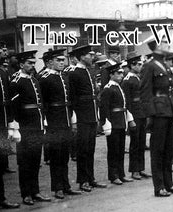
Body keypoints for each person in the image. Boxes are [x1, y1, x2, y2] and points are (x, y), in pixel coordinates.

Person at [140, 41, 173, 197]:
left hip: (169, 110)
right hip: (158, 112)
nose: (168, 46)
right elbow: (145, 93)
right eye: (165, 43)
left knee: (168, 148)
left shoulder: (164, 65)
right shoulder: (149, 66)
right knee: (158, 150)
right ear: (157, 47)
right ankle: (159, 187)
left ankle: (169, 184)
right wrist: (150, 115)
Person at [9, 50, 51, 206]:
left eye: (34, 63)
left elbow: (40, 104)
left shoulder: (34, 80)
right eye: (29, 63)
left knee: (35, 160)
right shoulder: (16, 81)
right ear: (21, 64)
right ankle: (26, 194)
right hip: (25, 127)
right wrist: (15, 128)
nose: (32, 66)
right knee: (25, 162)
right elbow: (14, 107)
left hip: (37, 125)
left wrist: (43, 122)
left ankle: (35, 191)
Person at [39, 49, 82, 199]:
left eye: (63, 60)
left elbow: (71, 100)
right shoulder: (44, 78)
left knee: (65, 155)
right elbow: (42, 102)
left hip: (66, 120)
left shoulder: (65, 77)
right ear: (50, 62)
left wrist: (73, 119)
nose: (62, 63)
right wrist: (44, 121)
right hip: (53, 121)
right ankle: (57, 187)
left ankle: (66, 186)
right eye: (58, 60)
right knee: (56, 156)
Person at [68, 45, 107, 192]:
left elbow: (93, 97)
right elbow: (73, 98)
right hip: (82, 116)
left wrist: (96, 116)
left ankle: (91, 178)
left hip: (91, 115)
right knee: (82, 150)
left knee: (90, 149)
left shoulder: (88, 71)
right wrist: (75, 119)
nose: (92, 57)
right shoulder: (75, 73)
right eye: (90, 55)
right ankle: (82, 180)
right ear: (82, 57)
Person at [0, 48, 20, 210]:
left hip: (1, 125)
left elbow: (9, 99)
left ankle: (0, 199)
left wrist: (11, 122)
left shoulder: (2, 74)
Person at [99, 63, 134, 185]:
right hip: (113, 123)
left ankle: (121, 174)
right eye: (118, 73)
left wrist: (129, 119)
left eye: (121, 73)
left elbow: (124, 106)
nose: (121, 75)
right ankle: (113, 175)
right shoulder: (108, 89)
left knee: (120, 149)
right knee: (113, 150)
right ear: (111, 74)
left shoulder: (119, 87)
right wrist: (106, 124)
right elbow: (104, 109)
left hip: (121, 121)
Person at [122, 53, 151, 181]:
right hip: (134, 115)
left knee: (141, 142)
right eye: (138, 64)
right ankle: (134, 170)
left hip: (142, 114)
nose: (140, 67)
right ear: (132, 65)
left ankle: (141, 168)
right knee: (135, 144)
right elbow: (127, 102)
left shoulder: (138, 78)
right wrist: (130, 119)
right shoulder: (128, 80)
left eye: (141, 64)